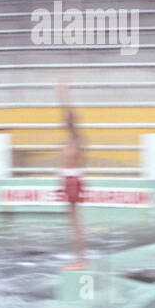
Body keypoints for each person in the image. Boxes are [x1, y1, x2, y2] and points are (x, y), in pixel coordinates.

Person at [58, 77, 87, 270]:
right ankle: (78, 259)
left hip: (72, 181)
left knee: (75, 223)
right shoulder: (73, 139)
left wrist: (64, 94)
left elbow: (68, 115)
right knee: (73, 222)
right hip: (70, 180)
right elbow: (66, 117)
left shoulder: (76, 138)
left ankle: (79, 260)